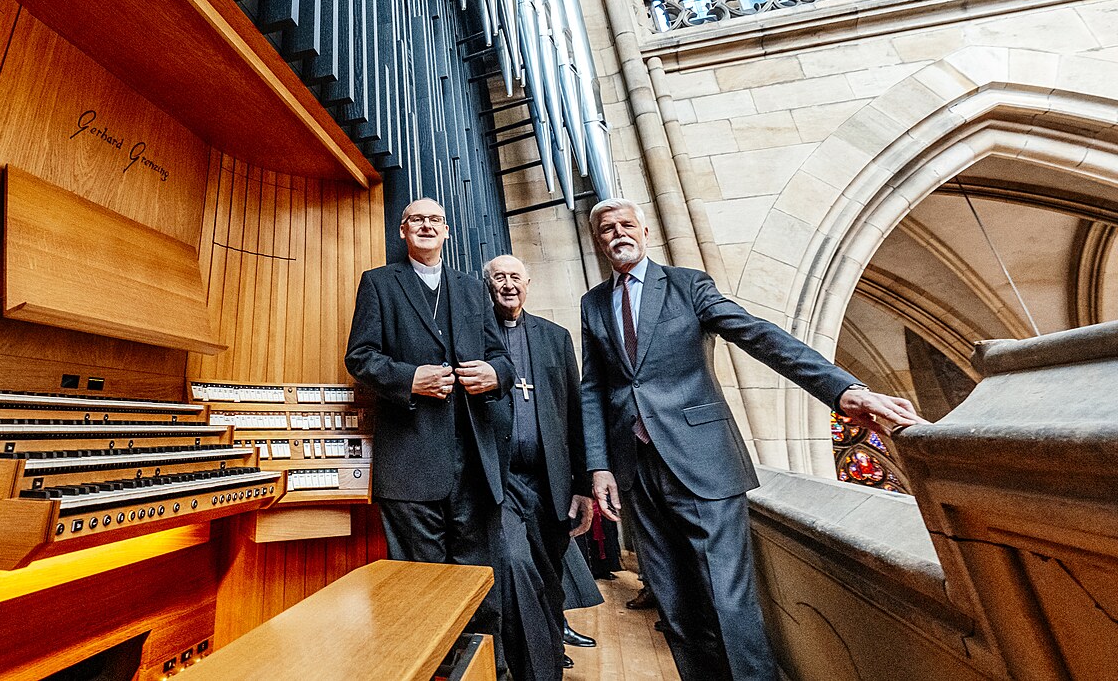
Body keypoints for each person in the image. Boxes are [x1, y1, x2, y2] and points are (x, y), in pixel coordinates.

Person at [578, 198, 923, 681]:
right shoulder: (593, 303)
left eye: (625, 225)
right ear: (598, 241)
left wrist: (843, 390)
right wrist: (599, 466)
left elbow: (759, 335)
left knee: (727, 599)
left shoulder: (686, 285)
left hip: (702, 460)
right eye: (607, 229)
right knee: (675, 605)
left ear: (645, 231)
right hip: (636, 467)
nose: (617, 233)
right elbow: (593, 387)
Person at [346, 198, 514, 651]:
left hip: (476, 464)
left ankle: (484, 671)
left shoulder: (471, 289)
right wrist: (409, 378)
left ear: (447, 232)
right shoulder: (379, 284)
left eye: (435, 220)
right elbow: (360, 357)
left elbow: (502, 358)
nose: (426, 225)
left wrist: (496, 375)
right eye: (416, 219)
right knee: (420, 585)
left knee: (479, 584)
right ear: (402, 230)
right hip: (410, 462)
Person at [484, 253, 599, 681]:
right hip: (501, 481)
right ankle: (539, 670)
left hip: (551, 481)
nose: (508, 284)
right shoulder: (477, 337)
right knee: (515, 564)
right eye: (499, 278)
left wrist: (584, 484)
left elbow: (574, 409)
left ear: (528, 284)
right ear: (488, 286)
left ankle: (548, 649)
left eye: (515, 277)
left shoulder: (555, 336)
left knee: (549, 578)